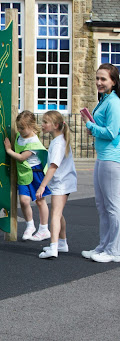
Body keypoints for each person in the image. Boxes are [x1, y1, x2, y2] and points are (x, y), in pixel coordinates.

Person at [81, 63, 120, 263]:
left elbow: (112, 132)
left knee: (113, 206)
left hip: (112, 159)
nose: (99, 82)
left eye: (103, 79)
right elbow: (104, 129)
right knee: (102, 206)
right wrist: (94, 128)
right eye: (97, 78)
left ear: (113, 81)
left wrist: (91, 126)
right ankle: (104, 245)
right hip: (103, 157)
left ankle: (115, 250)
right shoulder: (104, 100)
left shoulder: (114, 102)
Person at [4, 111, 51, 241]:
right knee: (24, 200)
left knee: (40, 201)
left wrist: (8, 150)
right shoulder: (20, 135)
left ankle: (44, 228)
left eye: (22, 128)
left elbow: (21, 157)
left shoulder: (33, 142)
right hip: (24, 173)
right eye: (18, 127)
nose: (19, 130)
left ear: (31, 126)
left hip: (35, 173)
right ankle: (30, 225)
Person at [37, 110, 77, 259]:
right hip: (63, 181)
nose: (42, 125)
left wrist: (42, 186)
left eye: (45, 122)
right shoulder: (57, 141)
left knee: (55, 214)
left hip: (62, 183)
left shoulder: (59, 143)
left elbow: (53, 167)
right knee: (58, 214)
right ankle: (62, 242)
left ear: (55, 125)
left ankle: (53, 247)